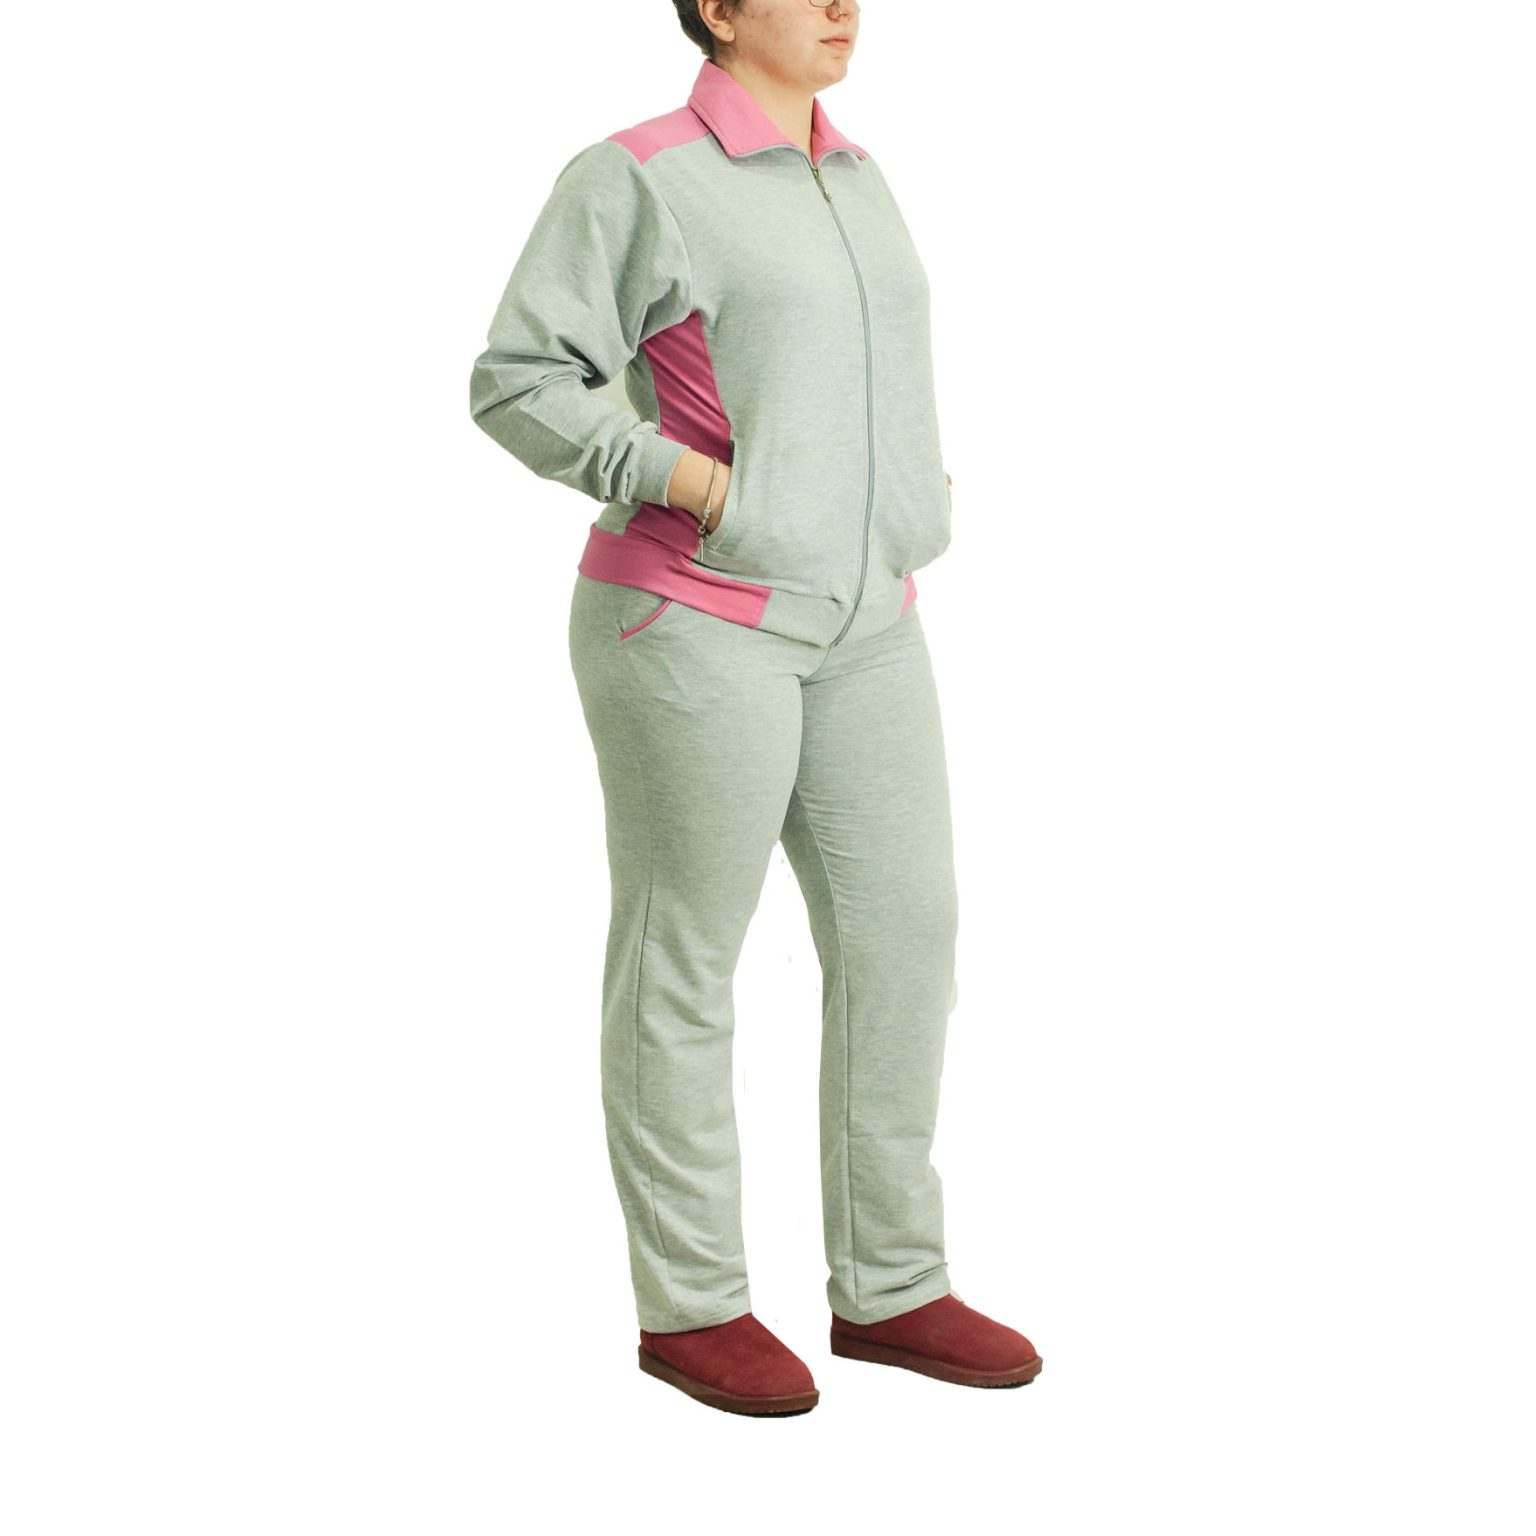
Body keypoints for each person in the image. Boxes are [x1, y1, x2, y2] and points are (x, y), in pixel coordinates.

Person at [469, 0, 1042, 1416]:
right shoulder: (638, 174)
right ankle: (693, 1308)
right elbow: (518, 378)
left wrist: (907, 499)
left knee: (907, 936)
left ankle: (891, 1284)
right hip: (691, 620)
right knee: (686, 956)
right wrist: (697, 484)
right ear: (720, 10)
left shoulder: (859, 171)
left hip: (869, 624)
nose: (845, 5)